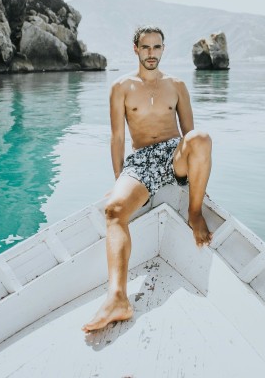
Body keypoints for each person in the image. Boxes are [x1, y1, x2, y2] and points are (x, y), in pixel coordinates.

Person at [82, 25, 212, 332]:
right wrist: (118, 179)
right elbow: (117, 137)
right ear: (136, 49)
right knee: (114, 211)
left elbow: (189, 136)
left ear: (163, 49)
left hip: (173, 153)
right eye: (146, 47)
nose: (151, 53)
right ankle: (118, 298)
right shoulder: (121, 87)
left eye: (157, 47)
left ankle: (194, 213)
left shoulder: (177, 85)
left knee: (202, 138)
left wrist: (191, 171)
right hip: (140, 160)